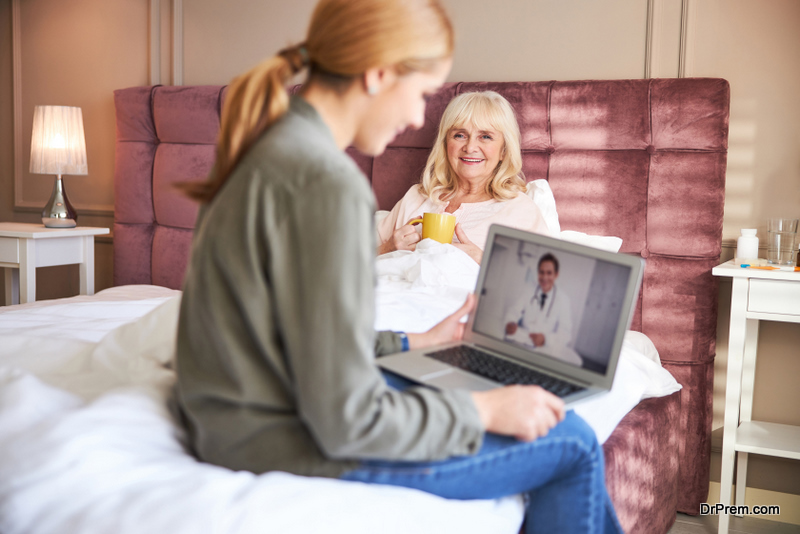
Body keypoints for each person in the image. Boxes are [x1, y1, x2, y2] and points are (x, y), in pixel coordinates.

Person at [174, 1, 622, 532]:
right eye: (422, 94)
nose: (416, 118)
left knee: (457, 386)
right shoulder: (327, 185)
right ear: (379, 74)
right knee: (571, 440)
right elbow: (349, 421)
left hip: (234, 413)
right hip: (279, 436)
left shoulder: (265, 148)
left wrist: (411, 344)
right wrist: (486, 412)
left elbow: (294, 337)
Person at [377, 90, 549, 263]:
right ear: (445, 144)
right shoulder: (417, 197)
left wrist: (482, 259)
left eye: (485, 136)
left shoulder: (519, 210)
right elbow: (354, 261)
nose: (470, 147)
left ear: (504, 151)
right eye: (459, 135)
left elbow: (542, 282)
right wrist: (387, 248)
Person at [505, 252, 573, 350]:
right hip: (522, 340)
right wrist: (510, 322)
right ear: (538, 273)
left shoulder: (563, 300)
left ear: (556, 275)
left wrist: (546, 339)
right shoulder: (528, 289)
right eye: (542, 272)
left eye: (549, 273)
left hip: (545, 348)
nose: (544, 277)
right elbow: (514, 311)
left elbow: (566, 334)